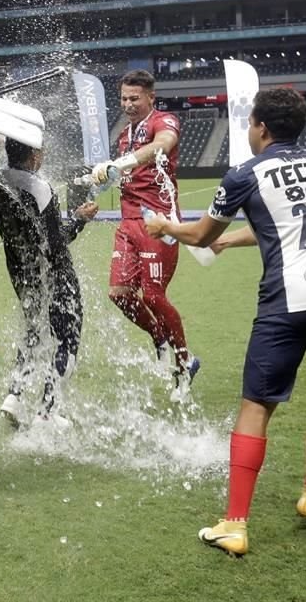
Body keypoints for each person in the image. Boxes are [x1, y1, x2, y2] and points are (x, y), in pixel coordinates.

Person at [144, 87, 306, 557]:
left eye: (249, 124)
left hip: (291, 299)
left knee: (256, 405)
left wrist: (165, 228)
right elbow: (286, 224)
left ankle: (235, 524)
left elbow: (201, 232)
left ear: (261, 127)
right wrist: (230, 244)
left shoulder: (245, 173)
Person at [0, 139, 98, 427]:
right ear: (34, 155)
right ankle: (47, 412)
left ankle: (14, 396)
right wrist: (79, 219)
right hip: (55, 273)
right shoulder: (39, 188)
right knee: (67, 338)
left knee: (34, 330)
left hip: (21, 273)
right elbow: (56, 245)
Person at [89, 69, 199, 386]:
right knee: (119, 293)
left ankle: (184, 363)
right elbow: (123, 176)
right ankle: (159, 339)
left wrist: (123, 163)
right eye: (123, 98)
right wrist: (100, 179)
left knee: (152, 296)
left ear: (151, 96)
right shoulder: (125, 134)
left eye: (134, 98)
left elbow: (164, 144)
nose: (127, 104)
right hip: (128, 222)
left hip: (158, 222)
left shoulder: (162, 121)